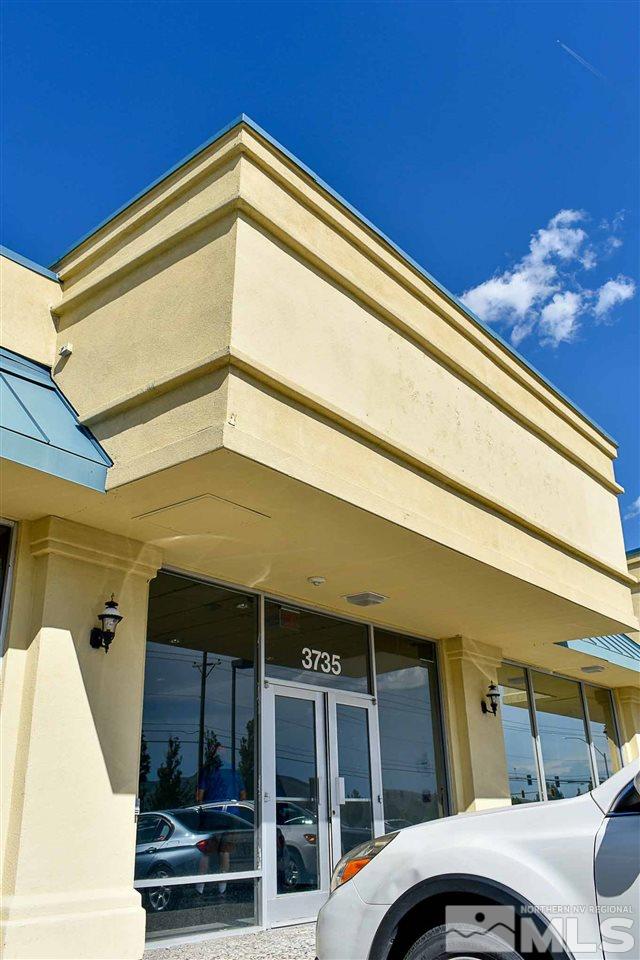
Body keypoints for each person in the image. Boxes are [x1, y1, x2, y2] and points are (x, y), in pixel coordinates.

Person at [195, 742, 247, 895]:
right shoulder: (234, 771)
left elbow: (199, 796)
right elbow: (243, 795)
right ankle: (222, 886)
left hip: (212, 815)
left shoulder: (208, 771)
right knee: (225, 851)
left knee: (206, 852)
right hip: (231, 815)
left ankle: (200, 886)